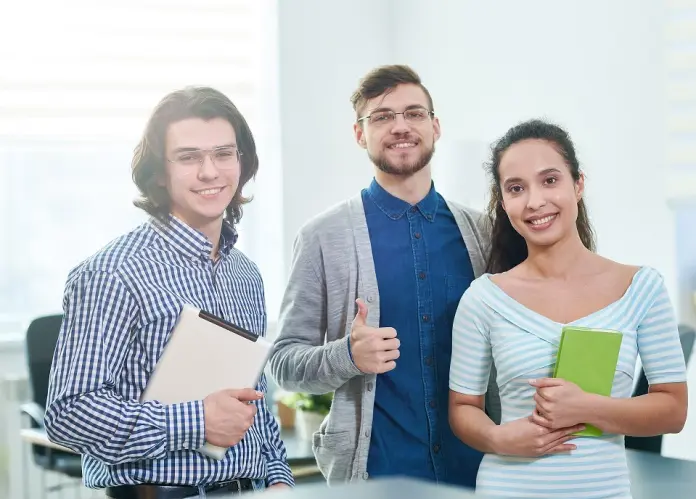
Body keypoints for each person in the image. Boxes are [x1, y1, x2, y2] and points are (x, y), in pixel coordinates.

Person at [44, 86, 294, 498]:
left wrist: (277, 474)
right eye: (189, 157)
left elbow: (253, 399)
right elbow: (68, 413)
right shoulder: (114, 272)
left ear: (241, 161)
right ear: (159, 172)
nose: (210, 171)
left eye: (223, 154)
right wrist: (195, 421)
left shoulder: (245, 275)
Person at [268, 64, 500, 488]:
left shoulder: (483, 233)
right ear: (360, 134)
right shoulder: (324, 237)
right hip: (376, 478)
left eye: (414, 113)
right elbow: (283, 363)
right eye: (381, 117)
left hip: (479, 474)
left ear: (435, 126)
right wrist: (348, 357)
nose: (400, 127)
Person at [448, 119, 688, 498]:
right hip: (507, 489)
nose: (535, 201)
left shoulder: (642, 288)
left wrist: (586, 407)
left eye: (550, 180)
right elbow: (463, 408)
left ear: (578, 184)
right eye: (516, 188)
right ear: (503, 201)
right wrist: (497, 437)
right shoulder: (483, 299)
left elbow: (673, 411)